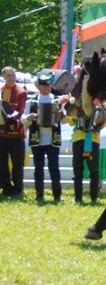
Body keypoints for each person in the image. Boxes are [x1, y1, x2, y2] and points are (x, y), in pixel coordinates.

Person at [21, 73, 63, 202]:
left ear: (51, 86)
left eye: (48, 85)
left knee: (54, 167)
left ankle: (57, 195)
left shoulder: (57, 100)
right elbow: (23, 119)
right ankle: (39, 195)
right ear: (38, 86)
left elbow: (65, 120)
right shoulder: (31, 101)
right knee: (38, 168)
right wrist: (29, 117)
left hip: (53, 138)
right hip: (36, 138)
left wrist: (62, 115)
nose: (45, 88)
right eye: (43, 85)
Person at [0, 66, 27, 197]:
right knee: (2, 162)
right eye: (8, 75)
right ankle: (6, 188)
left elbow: (21, 112)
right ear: (3, 77)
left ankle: (18, 189)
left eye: (13, 75)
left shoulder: (21, 92)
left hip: (16, 134)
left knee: (17, 164)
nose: (11, 78)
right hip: (1, 134)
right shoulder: (0, 90)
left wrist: (13, 122)